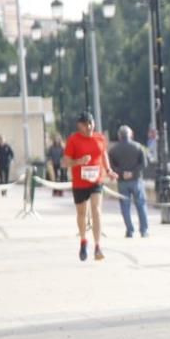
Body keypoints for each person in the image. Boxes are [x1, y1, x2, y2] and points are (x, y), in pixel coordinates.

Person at [63, 112, 116, 261]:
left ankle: (98, 246)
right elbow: (66, 162)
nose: (89, 127)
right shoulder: (73, 140)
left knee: (96, 210)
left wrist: (108, 170)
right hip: (79, 182)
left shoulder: (100, 138)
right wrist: (78, 161)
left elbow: (103, 154)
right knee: (81, 213)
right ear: (79, 126)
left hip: (96, 180)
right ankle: (83, 241)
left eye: (91, 123)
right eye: (85, 124)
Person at [108, 125, 149, 238]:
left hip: (122, 181)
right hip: (136, 180)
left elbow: (111, 166)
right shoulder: (138, 147)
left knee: (125, 207)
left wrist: (122, 173)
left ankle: (130, 230)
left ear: (119, 136)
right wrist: (133, 173)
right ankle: (144, 230)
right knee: (141, 205)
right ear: (131, 134)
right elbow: (143, 164)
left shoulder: (113, 150)